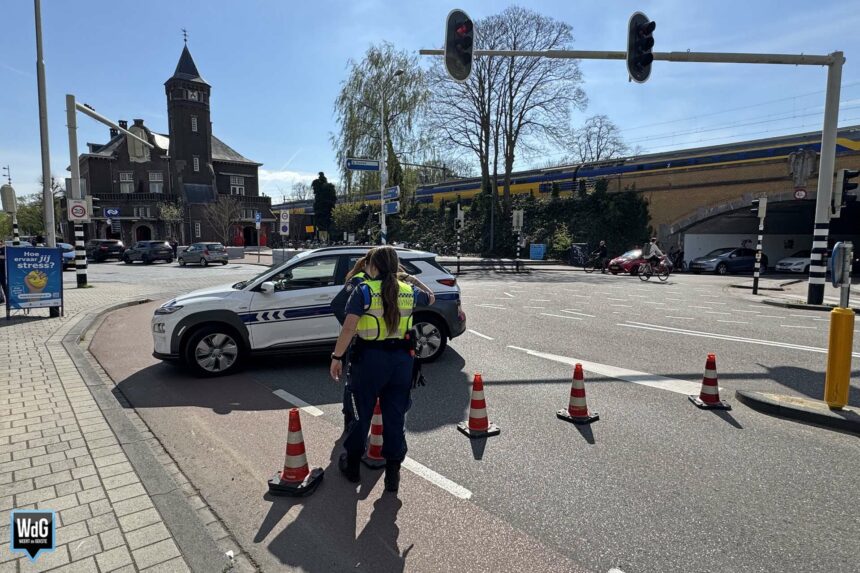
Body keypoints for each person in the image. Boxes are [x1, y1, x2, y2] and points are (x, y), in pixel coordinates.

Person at [330, 246, 432, 493]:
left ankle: (353, 467)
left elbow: (348, 328)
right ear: (395, 268)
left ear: (372, 266)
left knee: (360, 414)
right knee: (395, 417)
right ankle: (392, 475)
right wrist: (407, 277)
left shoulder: (363, 291)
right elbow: (430, 297)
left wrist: (337, 356)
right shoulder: (408, 291)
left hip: (370, 360)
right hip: (402, 361)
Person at [332, 250, 435, 429]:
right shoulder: (360, 282)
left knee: (366, 396)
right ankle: (357, 428)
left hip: (377, 349)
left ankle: (358, 439)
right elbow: (338, 306)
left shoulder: (390, 286)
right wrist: (356, 327)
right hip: (377, 347)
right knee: (368, 398)